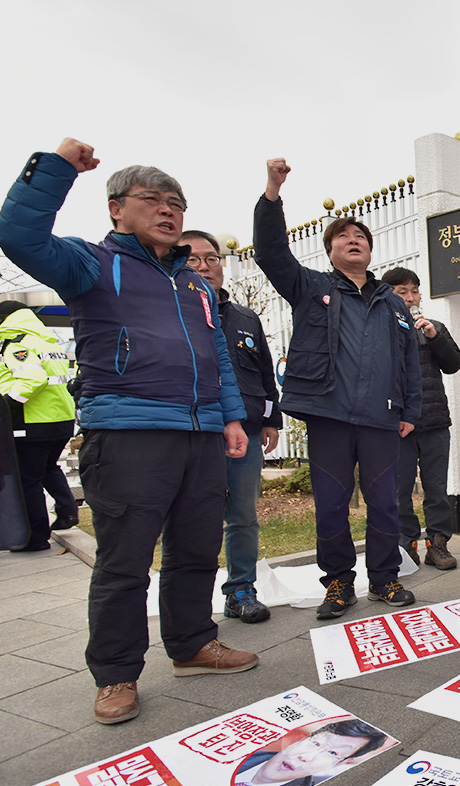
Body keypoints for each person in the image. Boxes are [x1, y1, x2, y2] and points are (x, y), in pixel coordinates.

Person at [0, 139, 258, 726]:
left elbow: (214, 351)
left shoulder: (195, 284)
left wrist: (231, 417)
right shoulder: (92, 263)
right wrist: (58, 166)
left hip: (200, 434)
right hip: (128, 433)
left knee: (196, 550)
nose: (168, 211)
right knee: (125, 561)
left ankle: (192, 644)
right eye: (152, 200)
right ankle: (116, 673)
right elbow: (17, 234)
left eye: (176, 203)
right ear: (116, 208)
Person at [254, 158, 422, 619]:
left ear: (370, 251)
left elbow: (410, 361)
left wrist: (411, 410)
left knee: (386, 503)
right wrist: (272, 192)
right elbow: (270, 254)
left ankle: (385, 579)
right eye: (344, 237)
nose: (354, 241)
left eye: (361, 237)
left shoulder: (392, 303)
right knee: (330, 506)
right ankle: (338, 584)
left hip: (382, 419)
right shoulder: (311, 287)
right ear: (330, 252)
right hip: (329, 416)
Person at [179, 231, 282, 624]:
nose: (205, 267)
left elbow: (264, 372)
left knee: (243, 515)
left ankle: (241, 590)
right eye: (193, 260)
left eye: (212, 259)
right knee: (195, 518)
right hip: (196, 431)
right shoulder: (174, 312)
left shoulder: (245, 317)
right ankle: (190, 600)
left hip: (247, 433)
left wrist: (271, 418)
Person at [383, 267, 460, 570]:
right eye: (402, 292)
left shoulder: (434, 327)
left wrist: (434, 336)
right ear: (387, 295)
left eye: (414, 291)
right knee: (400, 491)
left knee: (436, 489)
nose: (411, 297)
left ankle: (438, 544)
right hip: (398, 426)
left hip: (434, 421)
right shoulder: (380, 330)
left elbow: (454, 363)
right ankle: (407, 545)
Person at [0, 302, 76, 552]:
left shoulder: (15, 344)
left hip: (32, 422)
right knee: (48, 469)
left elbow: (33, 379)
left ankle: (35, 537)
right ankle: (68, 511)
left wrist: (8, 404)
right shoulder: (47, 342)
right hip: (61, 420)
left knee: (27, 480)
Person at [233, 719, 388, 786]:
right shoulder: (238, 753)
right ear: (301, 739)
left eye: (332, 753)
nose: (305, 757)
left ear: (340, 763)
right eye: (315, 743)